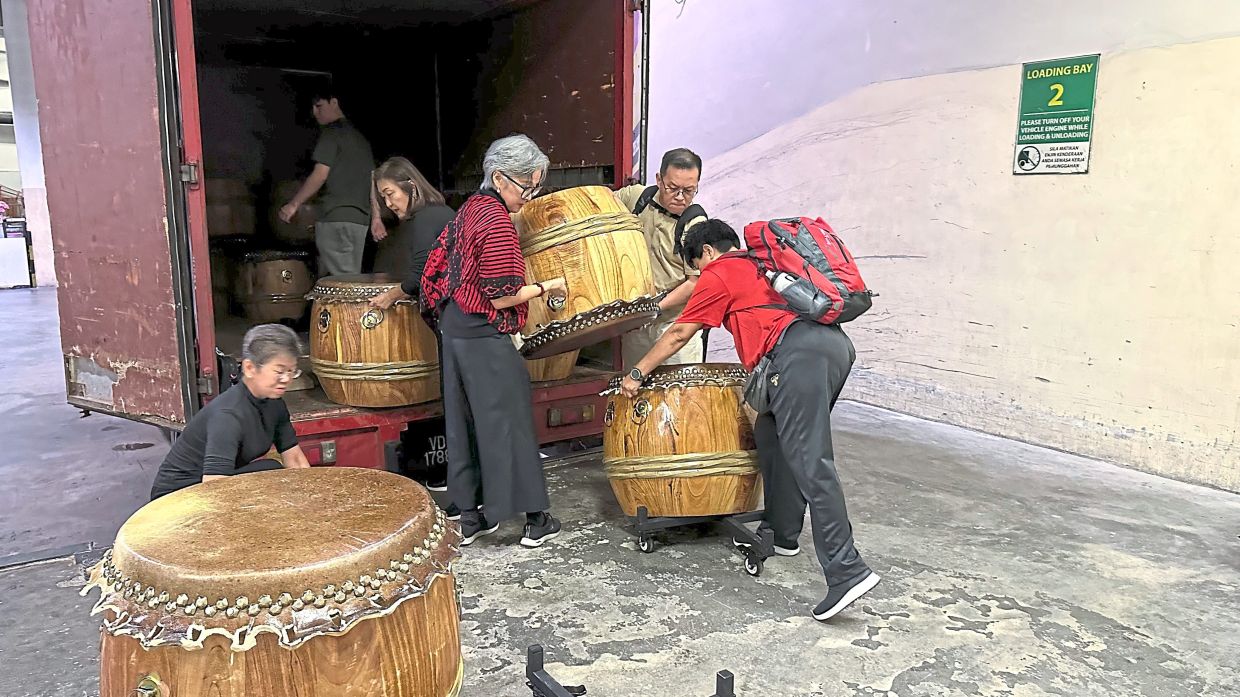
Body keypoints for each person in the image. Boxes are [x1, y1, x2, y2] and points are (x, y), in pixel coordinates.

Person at [618, 218, 880, 621]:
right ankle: (782, 533)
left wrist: (637, 373)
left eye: (695, 266)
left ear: (706, 252)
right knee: (771, 433)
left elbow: (679, 334)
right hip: (831, 347)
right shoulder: (763, 264)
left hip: (798, 357)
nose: (698, 275)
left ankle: (846, 570)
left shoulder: (719, 272)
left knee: (811, 460)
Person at [419, 134, 568, 548]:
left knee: (465, 423)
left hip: (455, 329)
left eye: (535, 187)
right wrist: (548, 286)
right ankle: (536, 520)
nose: (529, 196)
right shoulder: (497, 220)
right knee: (510, 423)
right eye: (526, 186)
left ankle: (472, 517)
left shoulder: (470, 208)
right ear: (499, 178)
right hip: (482, 332)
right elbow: (502, 295)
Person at [149, 324, 311, 500]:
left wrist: (312, 498)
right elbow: (215, 488)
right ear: (249, 368)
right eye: (279, 371)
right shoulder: (228, 415)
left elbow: (294, 458)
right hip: (177, 498)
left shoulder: (275, 404)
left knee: (272, 469)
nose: (286, 379)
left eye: (291, 371)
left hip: (211, 486)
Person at [614, 148, 709, 368]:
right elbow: (601, 202)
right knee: (634, 385)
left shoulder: (696, 225)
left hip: (675, 327)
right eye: (672, 188)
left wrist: (653, 308)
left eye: (689, 190)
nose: (680, 197)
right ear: (659, 179)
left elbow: (694, 283)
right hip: (637, 327)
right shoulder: (637, 197)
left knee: (677, 387)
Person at [279, 86, 375, 277]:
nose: (315, 113)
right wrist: (376, 217)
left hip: (335, 217)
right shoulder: (361, 140)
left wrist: (294, 204)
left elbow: (320, 174)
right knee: (347, 276)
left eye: (319, 106)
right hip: (360, 221)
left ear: (334, 102)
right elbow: (373, 179)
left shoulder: (332, 133)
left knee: (342, 282)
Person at [368, 157, 456, 307]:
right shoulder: (441, 211)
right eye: (383, 197)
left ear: (411, 187)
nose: (388, 204)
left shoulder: (425, 218)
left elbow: (422, 274)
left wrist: (390, 296)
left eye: (390, 193)